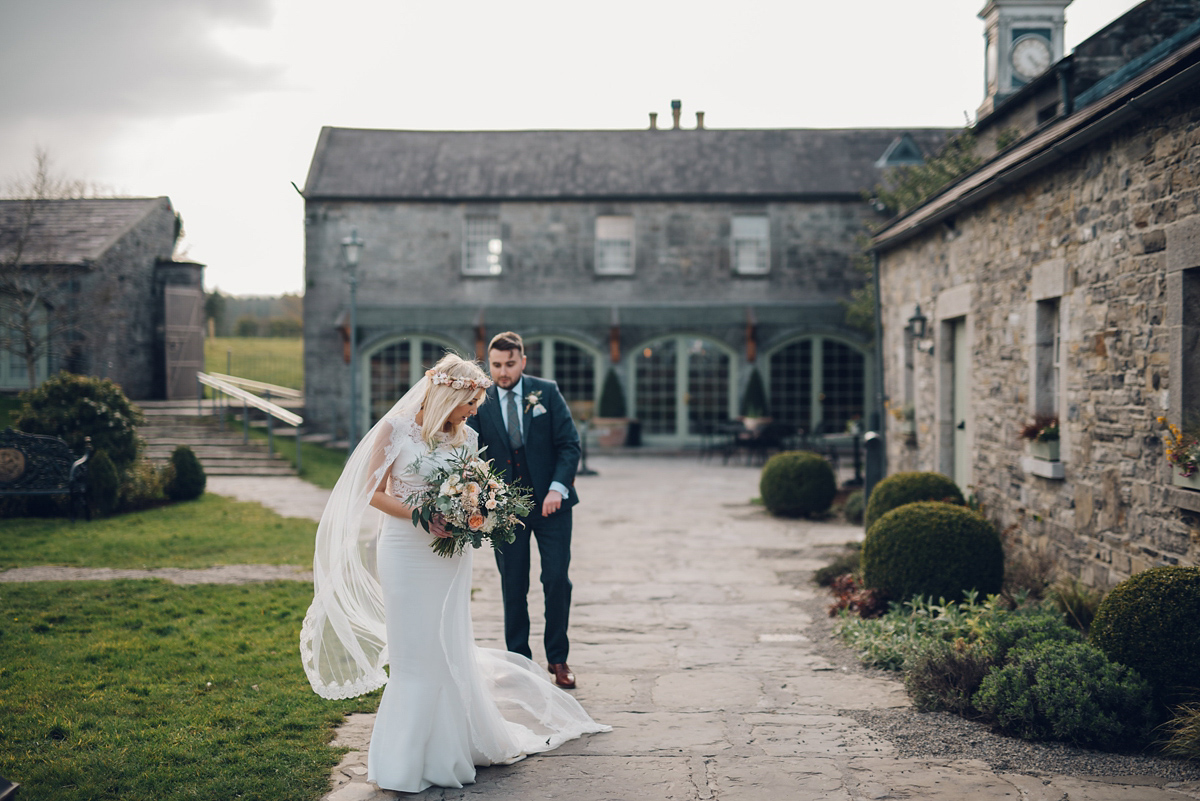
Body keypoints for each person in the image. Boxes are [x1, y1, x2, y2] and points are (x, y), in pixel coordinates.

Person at [300, 353, 608, 794]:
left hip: (449, 557)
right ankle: (405, 758)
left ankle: (452, 747)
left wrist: (481, 509)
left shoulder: (466, 437)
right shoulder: (396, 430)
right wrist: (419, 517)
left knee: (447, 646)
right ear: (451, 394)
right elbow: (373, 493)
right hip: (405, 552)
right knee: (413, 652)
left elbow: (473, 489)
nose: (474, 411)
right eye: (470, 402)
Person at [468, 332, 582, 689]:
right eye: (496, 365)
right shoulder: (479, 400)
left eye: (510, 364)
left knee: (556, 581)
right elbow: (471, 453)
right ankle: (519, 662)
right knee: (513, 585)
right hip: (504, 512)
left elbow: (569, 445)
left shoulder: (545, 392)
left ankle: (558, 660)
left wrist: (557, 490)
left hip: (552, 507)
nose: (502, 372)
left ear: (523, 361)